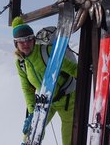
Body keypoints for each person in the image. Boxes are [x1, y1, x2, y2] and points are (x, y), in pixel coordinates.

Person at [12, 16, 77, 145]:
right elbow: (27, 88)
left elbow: (73, 69)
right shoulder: (21, 62)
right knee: (31, 134)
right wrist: (31, 114)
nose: (25, 44)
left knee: (68, 139)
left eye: (29, 40)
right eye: (21, 41)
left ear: (34, 40)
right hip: (46, 100)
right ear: (16, 44)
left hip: (67, 100)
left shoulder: (47, 52)